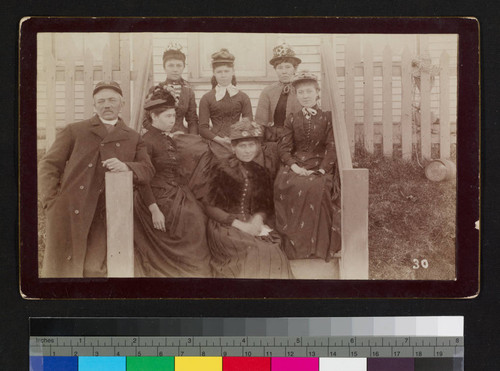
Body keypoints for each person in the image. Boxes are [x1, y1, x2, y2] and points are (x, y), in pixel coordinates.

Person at [38, 81, 154, 278]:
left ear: (122, 103)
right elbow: (48, 165)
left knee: (94, 269)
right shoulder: (75, 130)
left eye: (112, 100)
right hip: (71, 208)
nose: (106, 105)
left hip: (107, 211)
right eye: (100, 101)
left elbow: (148, 170)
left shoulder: (133, 137)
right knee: (63, 271)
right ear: (94, 105)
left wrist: (127, 166)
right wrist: (51, 201)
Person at [133, 85, 212, 277]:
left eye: (173, 116)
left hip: (175, 192)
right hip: (155, 198)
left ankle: (194, 268)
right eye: (168, 116)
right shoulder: (146, 141)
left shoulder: (164, 137)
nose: (173, 121)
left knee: (198, 217)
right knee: (191, 220)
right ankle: (185, 269)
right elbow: (143, 180)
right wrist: (154, 210)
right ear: (153, 117)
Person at [199, 120, 293, 279]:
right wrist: (241, 225)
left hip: (251, 222)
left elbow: (264, 205)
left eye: (251, 145)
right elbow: (209, 207)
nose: (247, 150)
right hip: (225, 226)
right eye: (242, 146)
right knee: (254, 252)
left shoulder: (261, 172)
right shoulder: (221, 168)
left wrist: (257, 219)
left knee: (274, 251)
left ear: (257, 147)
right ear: (233, 147)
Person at [274, 71, 341, 261]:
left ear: (317, 92)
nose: (305, 96)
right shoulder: (292, 118)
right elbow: (284, 148)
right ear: (296, 95)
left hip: (320, 164)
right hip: (296, 164)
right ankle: (296, 248)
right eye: (301, 92)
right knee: (287, 184)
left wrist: (322, 169)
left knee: (316, 186)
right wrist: (294, 167)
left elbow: (331, 146)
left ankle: (317, 248)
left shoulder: (327, 117)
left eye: (309, 91)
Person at [198, 48, 253, 158]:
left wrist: (235, 138)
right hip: (215, 141)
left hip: (238, 140)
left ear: (233, 72)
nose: (223, 75)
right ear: (214, 73)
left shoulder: (243, 97)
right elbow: (203, 128)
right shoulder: (207, 98)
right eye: (219, 72)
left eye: (226, 71)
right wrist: (220, 140)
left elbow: (248, 121)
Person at [255, 43, 302, 143]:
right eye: (280, 67)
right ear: (275, 70)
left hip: (297, 139)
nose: (284, 71)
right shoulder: (268, 91)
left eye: (288, 67)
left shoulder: (302, 90)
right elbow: (260, 123)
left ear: (295, 68)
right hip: (273, 139)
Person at [153, 42, 199, 134]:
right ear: (164, 67)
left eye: (179, 65)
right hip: (160, 136)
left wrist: (192, 138)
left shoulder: (188, 92)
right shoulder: (156, 90)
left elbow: (192, 120)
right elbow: (147, 120)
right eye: (171, 65)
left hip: (181, 135)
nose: (175, 69)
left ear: (183, 67)